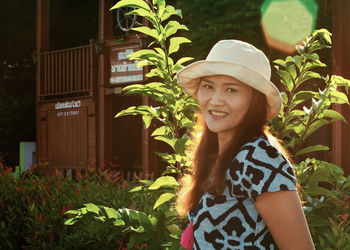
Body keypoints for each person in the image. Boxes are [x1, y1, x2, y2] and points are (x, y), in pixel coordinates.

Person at [175, 40, 315, 250]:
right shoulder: (220, 154)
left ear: (254, 101)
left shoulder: (260, 159)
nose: (215, 100)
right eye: (208, 86)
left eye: (231, 90)